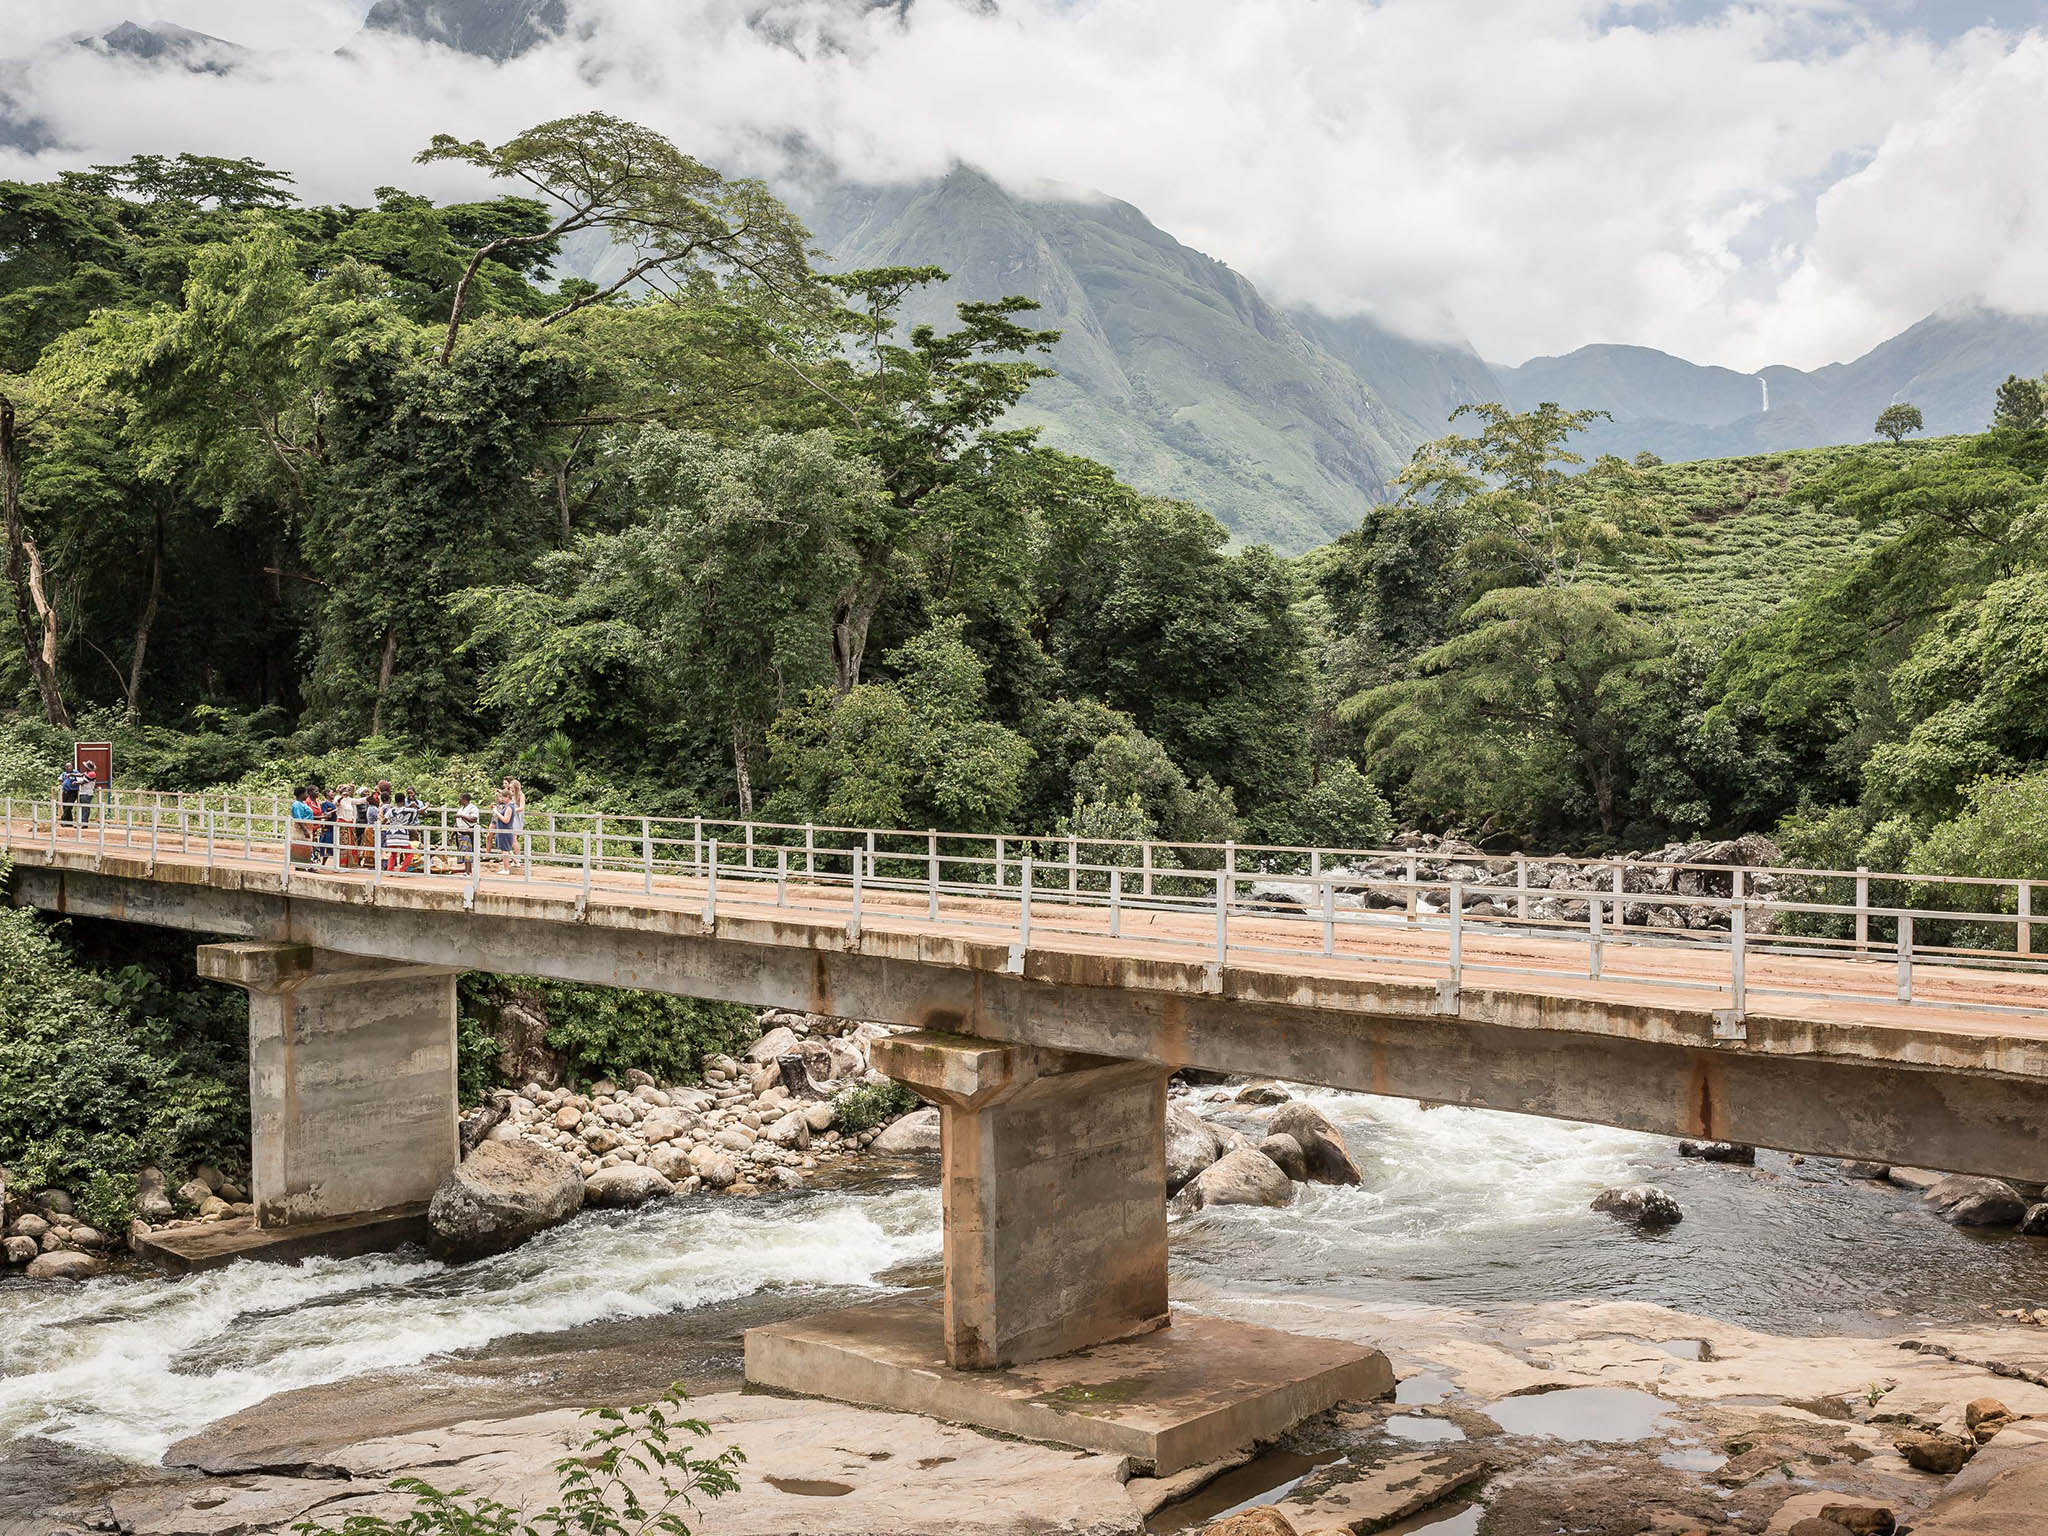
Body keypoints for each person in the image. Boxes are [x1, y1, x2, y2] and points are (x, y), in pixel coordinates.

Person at [490, 787, 517, 872]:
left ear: (508, 797)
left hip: (505, 831)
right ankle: (516, 862)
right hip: (503, 830)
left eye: (503, 797)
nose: (502, 799)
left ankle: (506, 869)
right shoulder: (507, 806)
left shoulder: (509, 807)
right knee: (507, 849)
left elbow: (506, 820)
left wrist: (496, 812)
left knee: (505, 850)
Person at [288, 785, 316, 863]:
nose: (307, 795)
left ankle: (305, 864)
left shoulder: (303, 803)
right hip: (301, 829)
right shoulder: (297, 805)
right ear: (301, 794)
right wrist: (305, 830)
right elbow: (298, 818)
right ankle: (301, 865)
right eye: (306, 793)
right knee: (301, 846)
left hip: (307, 827)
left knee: (306, 847)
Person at [333, 784, 358, 868]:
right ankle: (342, 863)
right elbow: (336, 803)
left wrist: (367, 799)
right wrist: (342, 797)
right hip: (342, 823)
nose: (348, 792)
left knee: (351, 843)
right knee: (343, 843)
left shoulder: (350, 800)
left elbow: (358, 801)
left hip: (350, 823)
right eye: (346, 790)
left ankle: (351, 863)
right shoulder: (337, 798)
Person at [454, 792, 479, 873]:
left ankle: (468, 871)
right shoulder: (461, 809)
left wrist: (462, 816)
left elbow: (474, 819)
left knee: (467, 852)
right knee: (464, 852)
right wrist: (452, 835)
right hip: (461, 833)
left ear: (464, 799)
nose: (459, 800)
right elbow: (457, 823)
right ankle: (468, 870)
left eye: (460, 798)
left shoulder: (473, 808)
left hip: (468, 833)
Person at [75, 762, 98, 828]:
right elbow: (80, 775)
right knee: (82, 808)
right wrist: (72, 774)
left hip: (87, 792)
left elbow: (84, 781)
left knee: (85, 808)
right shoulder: (86, 773)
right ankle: (81, 822)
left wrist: (76, 783)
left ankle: (84, 823)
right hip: (83, 792)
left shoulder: (92, 773)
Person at [56, 764, 78, 828]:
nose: (69, 768)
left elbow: (80, 779)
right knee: (65, 806)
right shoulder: (64, 773)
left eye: (70, 766)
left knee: (68, 807)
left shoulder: (76, 773)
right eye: (67, 766)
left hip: (73, 792)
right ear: (65, 768)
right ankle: (69, 822)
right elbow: (60, 779)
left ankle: (63, 820)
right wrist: (62, 783)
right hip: (65, 792)